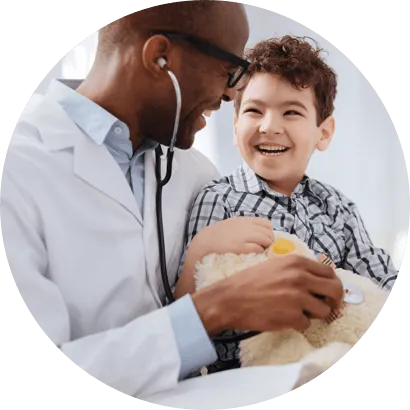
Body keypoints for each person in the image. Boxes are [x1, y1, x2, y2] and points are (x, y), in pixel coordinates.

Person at [0, 1, 345, 399]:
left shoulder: (197, 174)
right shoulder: (15, 170)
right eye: (229, 70)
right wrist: (211, 310)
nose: (230, 93)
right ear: (160, 57)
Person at [175, 35, 399, 374]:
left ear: (323, 133)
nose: (269, 127)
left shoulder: (337, 207)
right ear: (235, 128)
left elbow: (382, 280)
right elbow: (185, 316)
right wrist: (199, 251)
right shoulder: (218, 199)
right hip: (246, 377)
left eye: (291, 112)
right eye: (254, 111)